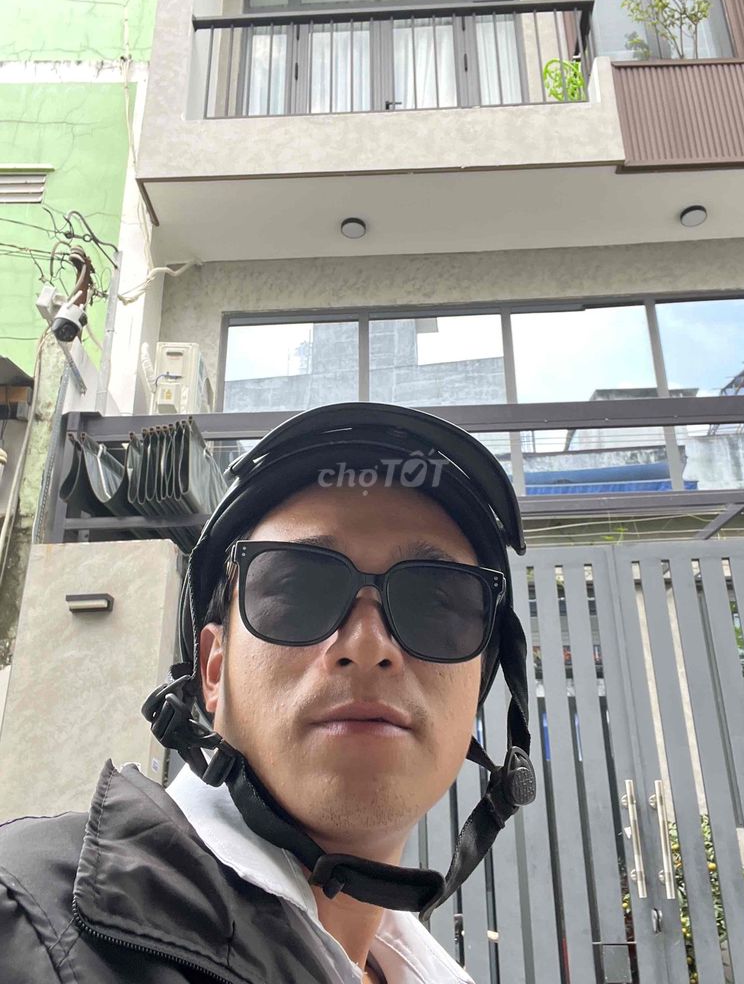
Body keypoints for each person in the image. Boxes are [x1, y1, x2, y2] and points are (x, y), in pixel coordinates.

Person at [0, 402, 535, 983]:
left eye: (435, 604)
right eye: (297, 590)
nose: (367, 645)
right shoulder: (27, 925)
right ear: (213, 670)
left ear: (478, 686)